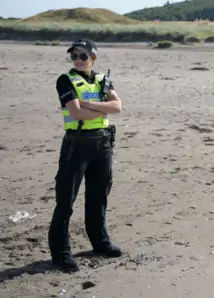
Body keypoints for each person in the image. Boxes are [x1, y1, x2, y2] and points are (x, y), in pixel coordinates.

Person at [49, 39, 123, 273]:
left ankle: (100, 243)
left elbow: (118, 107)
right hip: (77, 145)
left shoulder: (104, 79)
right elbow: (75, 112)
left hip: (103, 143)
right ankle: (61, 254)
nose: (78, 60)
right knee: (65, 201)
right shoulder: (65, 80)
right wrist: (101, 106)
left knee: (98, 196)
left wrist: (88, 104)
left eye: (83, 56)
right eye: (74, 56)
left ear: (93, 58)